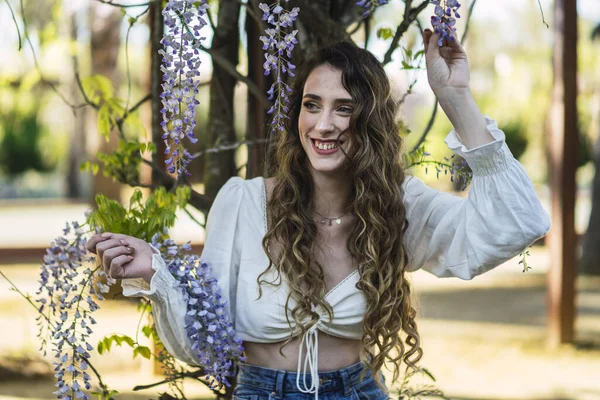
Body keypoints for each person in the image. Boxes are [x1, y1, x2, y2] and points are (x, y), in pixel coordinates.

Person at [86, 29, 551, 400]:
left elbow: (518, 224)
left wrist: (455, 99)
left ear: (369, 123)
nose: (323, 125)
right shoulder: (243, 203)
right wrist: (158, 276)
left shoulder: (400, 207)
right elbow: (206, 346)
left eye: (344, 109)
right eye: (312, 105)